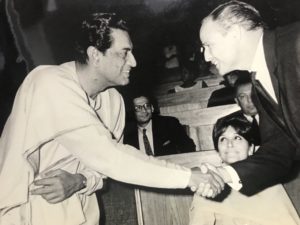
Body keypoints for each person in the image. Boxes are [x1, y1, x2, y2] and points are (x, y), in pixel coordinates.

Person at [0, 13, 224, 225]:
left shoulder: (113, 101)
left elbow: (103, 169)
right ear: (95, 55)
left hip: (81, 212)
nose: (134, 62)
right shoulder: (48, 82)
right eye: (124, 53)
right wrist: (188, 177)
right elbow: (110, 157)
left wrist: (81, 180)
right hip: (26, 213)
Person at [198, 0, 299, 198]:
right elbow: (278, 150)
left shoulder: (295, 43)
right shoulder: (259, 84)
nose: (206, 57)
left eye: (208, 45)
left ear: (235, 33)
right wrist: (224, 173)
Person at [189, 116, 300, 225]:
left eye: (237, 138)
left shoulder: (269, 182)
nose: (230, 144)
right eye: (223, 139)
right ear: (218, 152)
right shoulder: (208, 185)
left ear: (251, 148)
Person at [124, 95, 196, 156]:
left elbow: (189, 147)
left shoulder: (169, 124)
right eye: (138, 108)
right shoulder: (126, 134)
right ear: (132, 113)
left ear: (152, 108)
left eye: (147, 106)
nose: (144, 110)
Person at [221, 73, 260, 145]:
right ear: (237, 101)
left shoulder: (276, 118)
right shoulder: (227, 124)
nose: (250, 100)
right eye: (243, 97)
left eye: (253, 94)